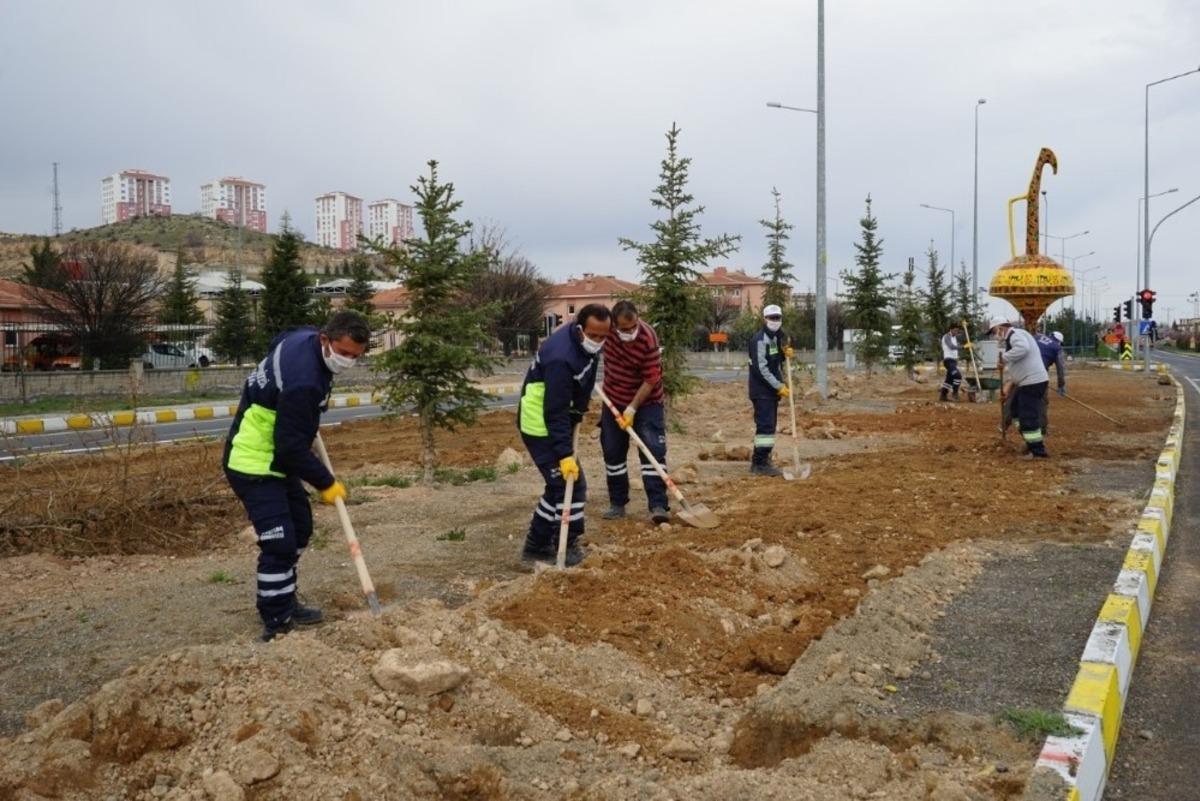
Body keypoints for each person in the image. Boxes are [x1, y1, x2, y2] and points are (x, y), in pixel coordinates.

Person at [224, 311, 371, 641]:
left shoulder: (300, 337)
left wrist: (295, 409)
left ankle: (285, 598)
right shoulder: (305, 382)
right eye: (343, 353)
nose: (348, 361)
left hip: (278, 461)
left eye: (355, 356)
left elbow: (277, 341)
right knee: (279, 542)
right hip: (253, 461)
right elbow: (290, 447)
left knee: (301, 528)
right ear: (325, 339)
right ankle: (276, 621)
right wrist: (327, 483)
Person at [517, 303, 611, 565]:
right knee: (572, 485)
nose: (598, 341)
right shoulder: (561, 357)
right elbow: (554, 412)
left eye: (603, 336)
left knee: (557, 486)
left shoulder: (584, 344)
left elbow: (584, 377)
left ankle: (536, 546)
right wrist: (565, 454)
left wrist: (579, 410)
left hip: (556, 418)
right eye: (593, 336)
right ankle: (566, 545)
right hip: (540, 423)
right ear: (580, 329)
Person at [599, 300, 669, 524]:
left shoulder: (648, 337)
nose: (630, 332)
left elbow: (651, 379)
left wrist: (632, 408)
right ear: (614, 325)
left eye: (633, 327)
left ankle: (658, 504)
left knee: (653, 451)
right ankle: (617, 503)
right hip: (613, 399)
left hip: (647, 401)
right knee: (613, 452)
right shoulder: (606, 331)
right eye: (624, 329)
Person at [991, 317, 1050, 458]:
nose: (994, 335)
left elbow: (1023, 348)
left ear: (1000, 328)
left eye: (994, 331)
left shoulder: (1015, 335)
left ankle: (1037, 451)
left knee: (1027, 417)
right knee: (1015, 411)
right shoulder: (1014, 337)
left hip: (1031, 382)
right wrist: (1007, 388)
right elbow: (1018, 367)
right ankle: (1029, 441)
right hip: (1026, 382)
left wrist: (1004, 358)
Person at [747, 304, 793, 477]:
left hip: (770, 392)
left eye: (778, 318)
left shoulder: (776, 338)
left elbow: (773, 360)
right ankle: (759, 463)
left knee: (770, 427)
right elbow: (761, 369)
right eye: (772, 318)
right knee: (765, 427)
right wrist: (778, 386)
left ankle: (764, 458)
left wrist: (784, 355)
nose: (775, 321)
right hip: (761, 391)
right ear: (764, 319)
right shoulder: (759, 340)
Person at [1034, 329, 1068, 433]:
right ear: (1059, 342)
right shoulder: (1057, 347)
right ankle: (1042, 428)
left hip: (1023, 369)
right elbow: (1061, 369)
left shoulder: (1037, 337)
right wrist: (1061, 385)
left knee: (1015, 396)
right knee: (1042, 401)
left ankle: (1003, 425)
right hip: (1039, 375)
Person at [939, 323, 964, 402]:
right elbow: (951, 346)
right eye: (955, 330)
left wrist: (964, 326)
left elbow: (961, 337)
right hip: (948, 361)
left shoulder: (954, 337)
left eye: (957, 331)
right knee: (957, 376)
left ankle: (943, 395)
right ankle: (955, 394)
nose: (956, 332)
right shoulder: (947, 337)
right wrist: (963, 347)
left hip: (953, 361)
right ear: (951, 329)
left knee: (949, 379)